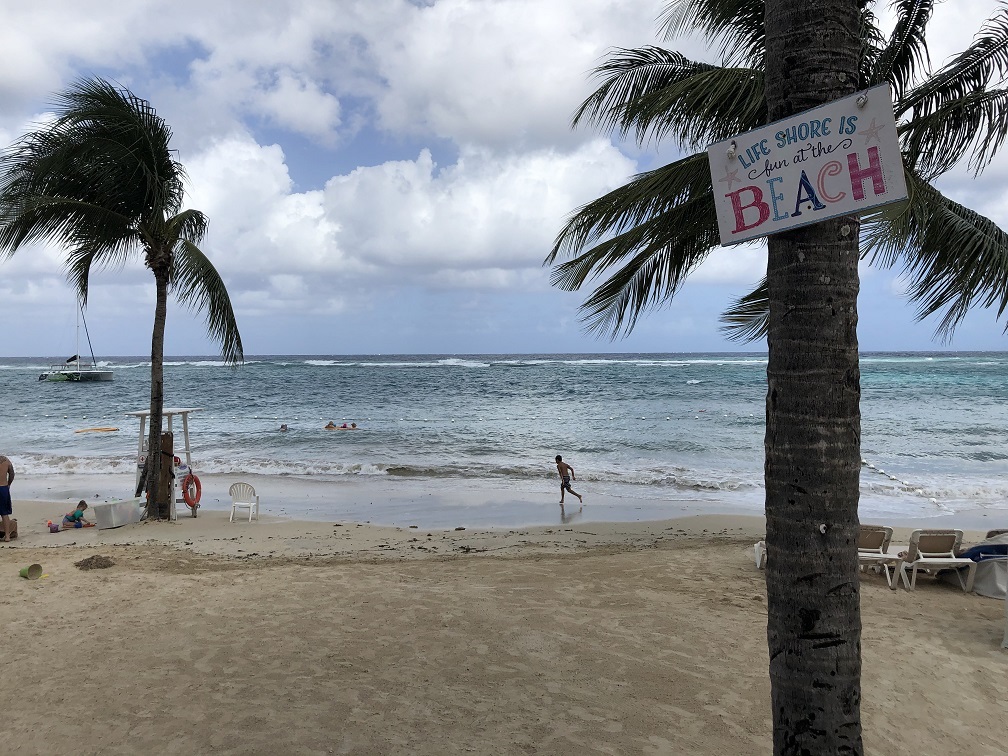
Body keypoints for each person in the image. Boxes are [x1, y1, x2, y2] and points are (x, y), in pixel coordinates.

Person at [0, 454, 14, 542]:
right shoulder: (6, 460)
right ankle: (7, 536)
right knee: (4, 514)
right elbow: (12, 473)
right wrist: (8, 484)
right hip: (3, 488)